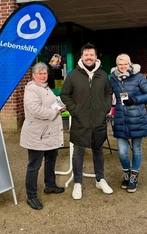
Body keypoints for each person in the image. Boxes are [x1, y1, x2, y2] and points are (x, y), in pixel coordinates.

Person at [60, 43, 113, 200]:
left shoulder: (103, 75)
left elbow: (108, 93)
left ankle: (100, 179)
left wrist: (105, 108)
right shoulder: (73, 76)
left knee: (98, 151)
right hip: (80, 121)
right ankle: (78, 183)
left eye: (91, 54)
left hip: (98, 121)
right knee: (78, 153)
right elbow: (64, 94)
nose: (89, 57)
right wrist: (74, 110)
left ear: (96, 57)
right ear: (81, 57)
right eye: (86, 55)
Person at [20, 62, 65, 210]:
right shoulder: (32, 89)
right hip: (37, 134)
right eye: (39, 73)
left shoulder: (45, 87)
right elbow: (34, 109)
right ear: (33, 75)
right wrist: (54, 112)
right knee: (34, 165)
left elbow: (50, 103)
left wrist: (59, 105)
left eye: (44, 73)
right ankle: (31, 196)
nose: (43, 75)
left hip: (49, 133)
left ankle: (50, 185)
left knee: (51, 160)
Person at [110, 54, 147, 193]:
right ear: (116, 65)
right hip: (121, 119)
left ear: (130, 64)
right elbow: (106, 94)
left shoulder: (138, 77)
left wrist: (134, 100)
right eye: (120, 64)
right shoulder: (113, 79)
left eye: (125, 64)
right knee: (122, 152)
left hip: (137, 119)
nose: (122, 67)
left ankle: (134, 176)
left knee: (136, 149)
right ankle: (126, 172)